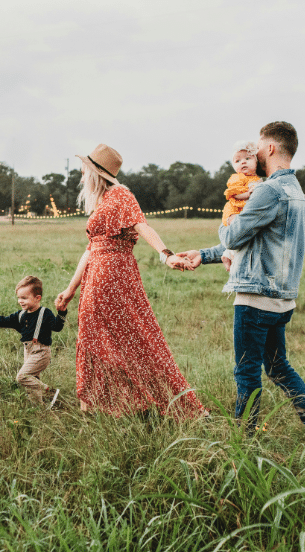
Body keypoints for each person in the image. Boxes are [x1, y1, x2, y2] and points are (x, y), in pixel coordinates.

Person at [178, 122, 305, 447]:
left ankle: (245, 442)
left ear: (271, 149)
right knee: (278, 367)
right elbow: (255, 240)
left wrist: (226, 220)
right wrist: (204, 255)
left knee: (246, 371)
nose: (254, 153)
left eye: (259, 147)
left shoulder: (268, 190)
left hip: (255, 297)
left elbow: (235, 235)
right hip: (282, 300)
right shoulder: (295, 191)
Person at [55, 143, 209, 420]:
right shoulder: (101, 201)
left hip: (115, 276)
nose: (80, 176)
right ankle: (97, 405)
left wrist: (166, 255)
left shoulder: (121, 194)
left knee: (137, 338)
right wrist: (70, 289)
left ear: (96, 173)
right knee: (92, 337)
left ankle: (160, 402)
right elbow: (91, 249)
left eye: (84, 170)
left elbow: (142, 225)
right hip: (96, 277)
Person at [0, 276, 67, 407]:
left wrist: (62, 312)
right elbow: (3, 321)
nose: (20, 301)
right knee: (32, 381)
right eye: (19, 298)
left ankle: (50, 392)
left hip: (41, 351)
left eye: (24, 298)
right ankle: (39, 408)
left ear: (38, 298)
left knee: (22, 377)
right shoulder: (20, 315)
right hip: (28, 351)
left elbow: (57, 327)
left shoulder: (45, 313)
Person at [220, 141, 262, 270]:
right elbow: (233, 193)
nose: (243, 162)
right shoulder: (238, 177)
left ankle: (227, 255)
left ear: (256, 162)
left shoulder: (257, 179)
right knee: (237, 230)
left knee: (243, 235)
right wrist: (247, 194)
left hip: (244, 209)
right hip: (235, 209)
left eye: (247, 159)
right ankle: (229, 255)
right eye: (238, 161)